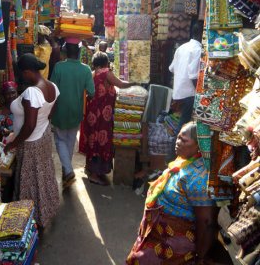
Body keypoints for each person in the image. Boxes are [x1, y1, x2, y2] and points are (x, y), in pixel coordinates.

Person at [126, 122, 216, 265]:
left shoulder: (199, 178)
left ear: (198, 145)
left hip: (172, 241)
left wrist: (200, 256)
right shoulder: (184, 161)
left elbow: (205, 221)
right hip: (157, 233)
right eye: (178, 137)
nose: (177, 142)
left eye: (184, 140)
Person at [4, 53, 60, 228]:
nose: (21, 77)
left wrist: (13, 143)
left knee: (30, 179)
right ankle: (45, 211)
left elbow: (29, 125)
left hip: (31, 141)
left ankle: (30, 220)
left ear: (28, 71)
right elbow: (50, 113)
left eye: (21, 73)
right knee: (41, 174)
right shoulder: (52, 86)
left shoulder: (32, 92)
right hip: (42, 136)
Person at [82, 52, 138, 185]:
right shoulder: (106, 72)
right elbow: (120, 84)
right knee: (101, 140)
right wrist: (135, 82)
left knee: (92, 138)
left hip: (92, 113)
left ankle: (90, 168)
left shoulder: (92, 73)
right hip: (102, 115)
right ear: (106, 63)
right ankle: (95, 174)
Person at [51, 40, 95, 188]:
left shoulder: (59, 67)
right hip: (76, 111)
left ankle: (68, 171)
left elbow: (52, 90)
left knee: (60, 140)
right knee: (69, 141)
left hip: (60, 110)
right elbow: (92, 92)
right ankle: (66, 174)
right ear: (79, 52)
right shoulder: (86, 69)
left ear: (64, 52)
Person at [169, 22, 203, 131]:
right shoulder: (198, 50)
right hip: (190, 94)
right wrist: (200, 94)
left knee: (183, 124)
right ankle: (176, 147)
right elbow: (193, 75)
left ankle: (176, 146)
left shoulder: (182, 48)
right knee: (184, 126)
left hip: (178, 93)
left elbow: (172, 68)